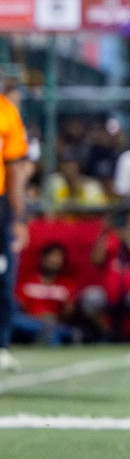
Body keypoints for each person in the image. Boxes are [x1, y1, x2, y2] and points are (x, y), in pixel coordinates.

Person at [79, 211, 130, 341]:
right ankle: (107, 333)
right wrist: (105, 231)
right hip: (108, 293)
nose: (129, 224)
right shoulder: (111, 238)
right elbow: (95, 260)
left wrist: (129, 240)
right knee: (90, 298)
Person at [0, 86, 30, 371]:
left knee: (3, 275)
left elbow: (15, 167)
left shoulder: (6, 113)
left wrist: (17, 218)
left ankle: (1, 344)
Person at [13, 242, 77, 344]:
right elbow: (20, 307)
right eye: (51, 257)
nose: (54, 261)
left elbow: (68, 314)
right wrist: (40, 318)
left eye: (58, 258)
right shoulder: (28, 283)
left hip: (56, 324)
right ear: (43, 258)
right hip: (31, 323)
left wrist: (63, 313)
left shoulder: (67, 286)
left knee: (54, 328)